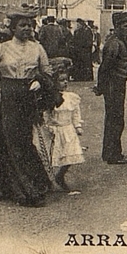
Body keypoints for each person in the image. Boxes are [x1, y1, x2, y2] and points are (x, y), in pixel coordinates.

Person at [0, 6, 56, 207]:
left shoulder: (38, 48)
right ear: (13, 28)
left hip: (27, 98)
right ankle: (26, 190)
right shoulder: (1, 48)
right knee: (12, 142)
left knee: (24, 141)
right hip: (8, 97)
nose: (27, 29)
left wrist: (41, 81)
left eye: (30, 25)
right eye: (22, 25)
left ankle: (22, 184)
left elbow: (48, 71)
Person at [34, 57, 84, 192]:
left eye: (66, 80)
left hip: (68, 130)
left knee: (70, 155)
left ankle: (60, 175)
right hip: (54, 129)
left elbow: (75, 113)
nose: (65, 82)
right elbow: (46, 114)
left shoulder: (71, 97)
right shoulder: (51, 97)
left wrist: (77, 125)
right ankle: (47, 180)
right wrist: (47, 126)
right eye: (61, 80)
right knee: (50, 156)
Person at [97, 10, 127, 164]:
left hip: (117, 85)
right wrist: (101, 86)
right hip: (114, 85)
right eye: (126, 26)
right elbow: (105, 67)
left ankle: (109, 153)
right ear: (117, 27)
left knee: (114, 119)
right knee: (115, 120)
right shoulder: (115, 44)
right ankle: (114, 155)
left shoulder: (121, 42)